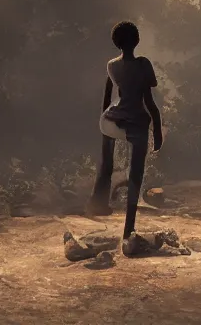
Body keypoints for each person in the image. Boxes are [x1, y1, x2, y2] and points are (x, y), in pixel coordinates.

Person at [87, 20, 163, 252]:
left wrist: (104, 126)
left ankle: (98, 201)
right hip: (135, 126)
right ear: (137, 40)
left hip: (109, 122)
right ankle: (128, 230)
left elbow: (108, 95)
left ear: (116, 43)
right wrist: (158, 130)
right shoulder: (143, 64)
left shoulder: (112, 65)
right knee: (136, 175)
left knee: (106, 162)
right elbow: (149, 101)